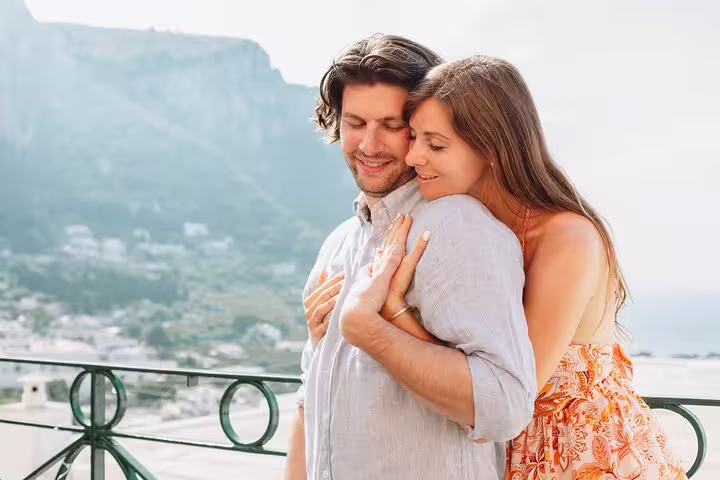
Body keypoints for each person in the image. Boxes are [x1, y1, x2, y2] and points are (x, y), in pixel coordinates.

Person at [324, 55, 686, 480]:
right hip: (517, 459)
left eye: (436, 144)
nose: (414, 155)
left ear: (492, 150)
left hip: (589, 460)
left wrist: (392, 314)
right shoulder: (477, 234)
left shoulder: (567, 239)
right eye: (416, 137)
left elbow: (504, 400)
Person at [285, 35, 537, 480]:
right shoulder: (339, 243)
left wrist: (371, 331)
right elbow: (312, 396)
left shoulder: (453, 226)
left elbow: (505, 405)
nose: (369, 144)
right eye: (355, 122)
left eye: (391, 124)